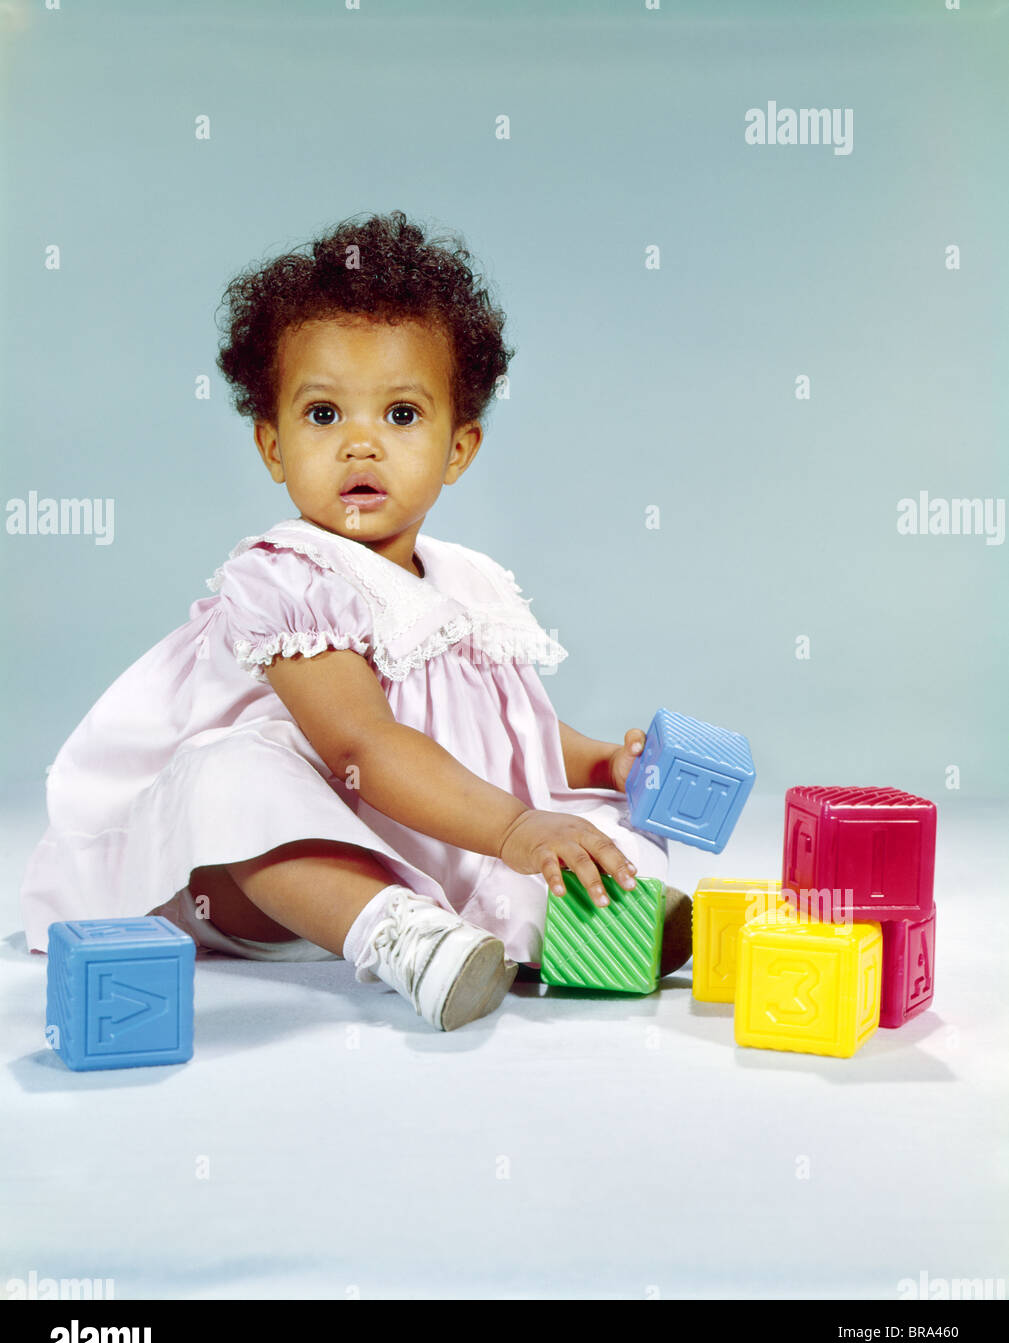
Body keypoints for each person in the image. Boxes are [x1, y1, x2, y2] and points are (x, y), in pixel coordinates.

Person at [20, 210, 692, 1032]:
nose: (361, 445)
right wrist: (513, 825)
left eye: (401, 416)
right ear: (272, 445)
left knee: (586, 829)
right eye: (323, 416)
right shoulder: (286, 576)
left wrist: (597, 765)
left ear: (458, 448)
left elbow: (509, 726)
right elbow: (356, 747)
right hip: (269, 878)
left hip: (424, 833)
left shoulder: (467, 581)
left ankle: (572, 922)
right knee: (234, 781)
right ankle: (394, 932)